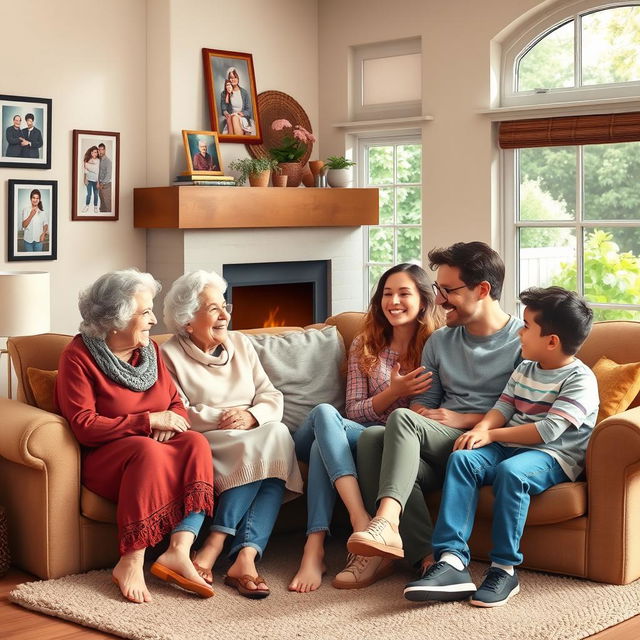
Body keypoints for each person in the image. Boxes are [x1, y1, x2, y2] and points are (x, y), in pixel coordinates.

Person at [407, 286, 597, 607]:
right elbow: (504, 406)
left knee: (512, 473)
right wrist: (481, 430)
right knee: (463, 458)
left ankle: (504, 569)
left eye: (526, 327)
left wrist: (494, 436)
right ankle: (452, 560)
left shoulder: (580, 379)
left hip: (552, 455)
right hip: (509, 443)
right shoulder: (526, 367)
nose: (519, 332)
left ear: (552, 341)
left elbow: (548, 431)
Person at [347, 242, 523, 586]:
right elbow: (419, 406)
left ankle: (386, 520)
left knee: (398, 423)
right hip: (442, 443)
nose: (438, 300)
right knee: (371, 437)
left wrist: (462, 418)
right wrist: (426, 416)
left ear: (482, 290)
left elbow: (525, 413)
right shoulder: (440, 341)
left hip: (488, 444)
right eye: (438, 289)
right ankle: (430, 560)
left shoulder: (521, 341)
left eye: (447, 290)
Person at [55, 269, 215, 604]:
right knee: (147, 451)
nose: (154, 320)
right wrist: (146, 421)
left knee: (197, 442)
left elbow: (175, 405)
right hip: (107, 460)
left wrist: (167, 421)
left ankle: (178, 551)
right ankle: (131, 559)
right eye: (145, 313)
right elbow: (84, 424)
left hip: (153, 449)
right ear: (116, 319)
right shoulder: (79, 357)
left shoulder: (150, 352)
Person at [288, 264, 443, 594]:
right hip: (353, 433)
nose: (394, 301)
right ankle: (362, 519)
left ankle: (313, 550)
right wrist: (393, 392)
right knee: (325, 414)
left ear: (423, 301)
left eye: (404, 294)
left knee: (322, 449)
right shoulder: (365, 344)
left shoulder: (435, 347)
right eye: (387, 294)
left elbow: (428, 414)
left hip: (385, 444)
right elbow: (354, 412)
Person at [161, 270, 303, 599]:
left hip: (253, 430)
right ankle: (234, 552)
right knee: (274, 443)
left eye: (225, 305)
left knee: (275, 438)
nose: (225, 314)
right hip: (211, 438)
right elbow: (179, 410)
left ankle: (233, 552)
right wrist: (224, 417)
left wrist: (251, 416)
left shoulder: (240, 343)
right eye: (213, 309)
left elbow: (271, 395)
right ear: (186, 321)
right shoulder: (168, 354)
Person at [219, 69, 253, 135]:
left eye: (235, 77)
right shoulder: (224, 93)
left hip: (242, 118)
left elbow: (249, 110)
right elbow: (224, 109)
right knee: (230, 118)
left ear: (238, 78)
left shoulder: (244, 92)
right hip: (231, 117)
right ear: (228, 79)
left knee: (234, 118)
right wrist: (226, 113)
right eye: (231, 78)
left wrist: (242, 113)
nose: (233, 79)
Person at [82, 146, 100, 213]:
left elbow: (98, 171)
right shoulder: (87, 160)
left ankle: (95, 207)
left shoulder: (98, 161)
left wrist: (98, 182)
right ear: (91, 152)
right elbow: (85, 170)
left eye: (97, 153)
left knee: (96, 194)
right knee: (89, 194)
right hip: (88, 180)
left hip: (96, 180)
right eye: (95, 152)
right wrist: (85, 179)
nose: (96, 154)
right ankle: (87, 206)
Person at [97, 143, 112, 213]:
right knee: (102, 205)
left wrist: (102, 183)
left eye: (102, 150)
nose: (100, 151)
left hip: (106, 186)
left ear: (105, 150)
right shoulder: (98, 160)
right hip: (100, 185)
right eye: (99, 150)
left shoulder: (108, 161)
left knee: (107, 205)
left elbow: (108, 175)